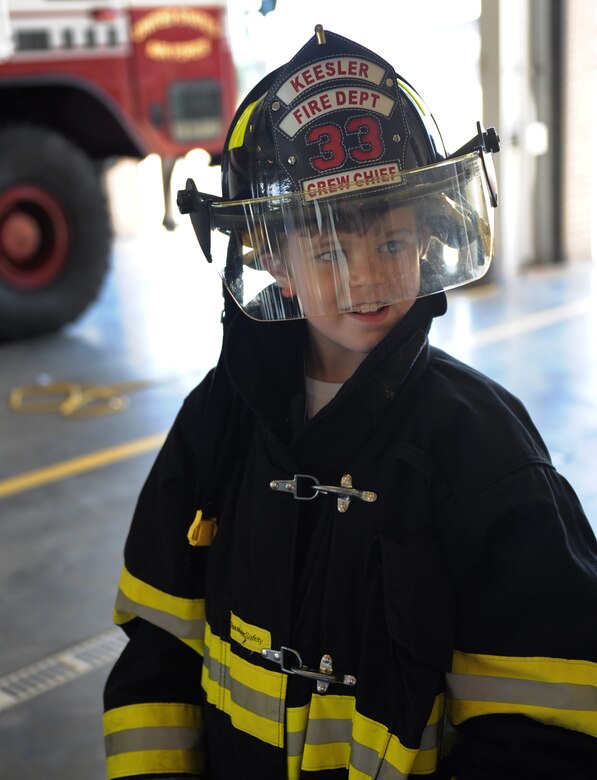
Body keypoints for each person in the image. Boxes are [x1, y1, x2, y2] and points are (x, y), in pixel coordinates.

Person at [103, 25, 597, 780]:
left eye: (392, 243)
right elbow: (159, 656)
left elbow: (547, 729)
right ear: (272, 258)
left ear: (431, 240)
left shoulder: (485, 454)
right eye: (329, 251)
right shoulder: (218, 418)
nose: (366, 280)